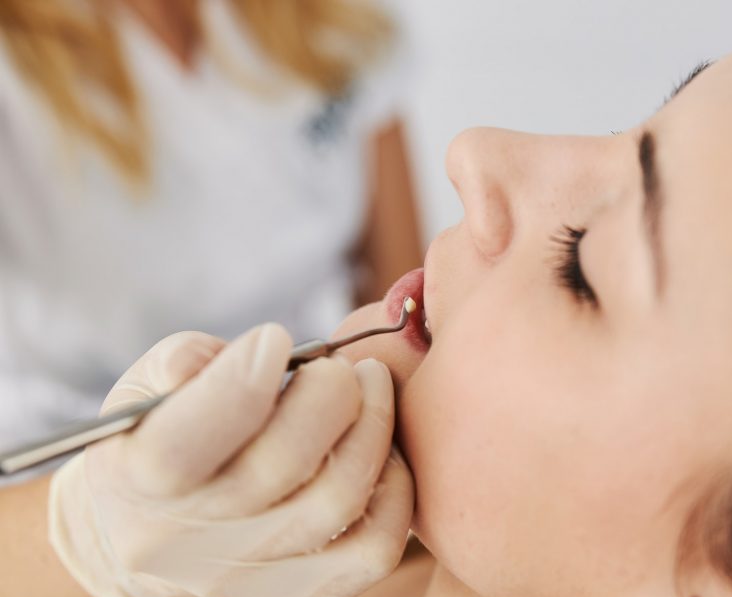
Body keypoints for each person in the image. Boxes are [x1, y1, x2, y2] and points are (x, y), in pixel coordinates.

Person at [4, 3, 732, 597]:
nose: (476, 151)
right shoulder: (285, 548)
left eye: (583, 260)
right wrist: (79, 545)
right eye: (634, 133)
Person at [0, 0, 423, 474]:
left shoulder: (335, 21)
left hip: (307, 440)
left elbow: (401, 324)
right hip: (59, 473)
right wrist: (83, 525)